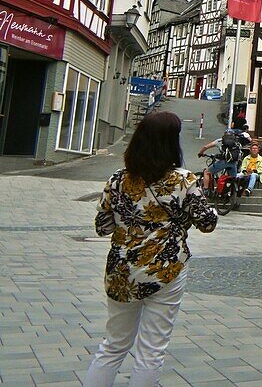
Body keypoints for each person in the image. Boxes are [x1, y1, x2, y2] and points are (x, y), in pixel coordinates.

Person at [83, 111, 218, 387]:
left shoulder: (118, 179)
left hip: (121, 270)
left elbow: (102, 226)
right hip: (165, 269)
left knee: (113, 345)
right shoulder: (183, 180)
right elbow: (207, 223)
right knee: (151, 352)